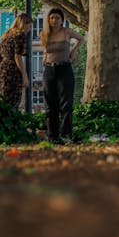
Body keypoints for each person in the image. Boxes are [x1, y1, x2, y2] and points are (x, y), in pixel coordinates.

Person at [42, 8, 83, 144]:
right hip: (49, 70)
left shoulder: (67, 31)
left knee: (66, 103)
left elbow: (81, 39)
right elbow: (45, 50)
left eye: (57, 18)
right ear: (49, 19)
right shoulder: (45, 34)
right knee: (50, 105)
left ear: (61, 20)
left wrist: (73, 52)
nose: (54, 20)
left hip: (64, 69)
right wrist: (44, 58)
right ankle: (52, 135)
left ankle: (66, 134)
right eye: (52, 17)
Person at [0, 12, 32, 108]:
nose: (30, 30)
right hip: (13, 70)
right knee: (14, 101)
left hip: (3, 69)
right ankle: (13, 121)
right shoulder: (20, 35)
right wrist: (24, 74)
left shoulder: (7, 35)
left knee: (4, 99)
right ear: (24, 24)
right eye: (29, 26)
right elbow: (17, 57)